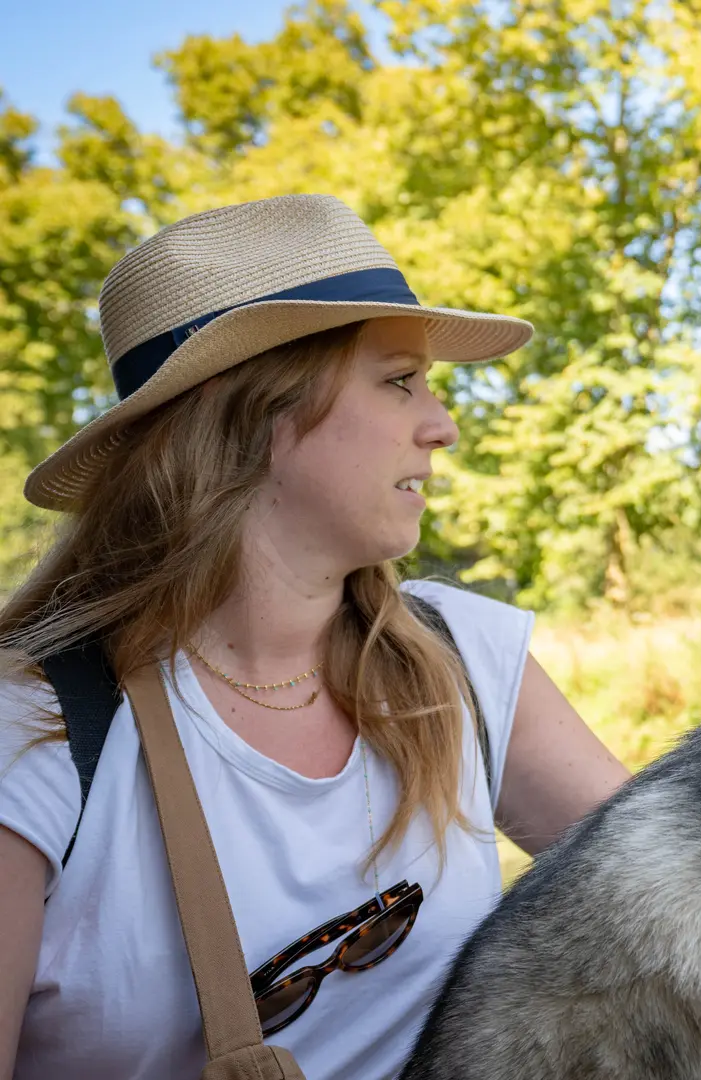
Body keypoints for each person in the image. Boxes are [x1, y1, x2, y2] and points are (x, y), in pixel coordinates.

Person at [0, 194, 632, 1079]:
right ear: (254, 413)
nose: (442, 426)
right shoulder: (34, 731)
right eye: (399, 379)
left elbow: (700, 907)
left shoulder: (469, 665)